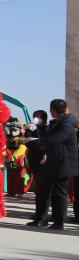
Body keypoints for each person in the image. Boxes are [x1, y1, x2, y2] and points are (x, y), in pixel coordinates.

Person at [29, 99, 78, 230]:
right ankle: (41, 218)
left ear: (53, 110)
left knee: (59, 193)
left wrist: (34, 142)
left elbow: (53, 140)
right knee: (43, 191)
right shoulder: (55, 123)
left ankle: (58, 222)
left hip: (63, 164)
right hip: (52, 162)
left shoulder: (67, 124)